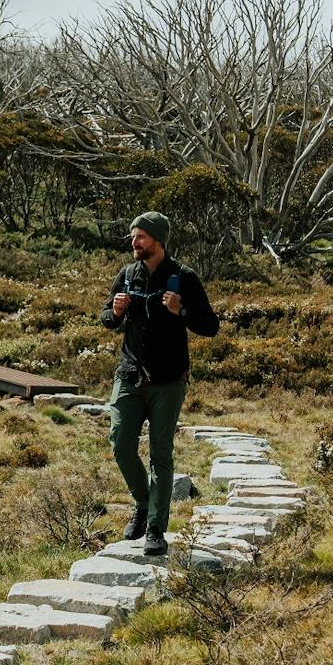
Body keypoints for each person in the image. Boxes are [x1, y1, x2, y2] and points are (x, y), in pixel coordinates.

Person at [100, 212, 220, 555]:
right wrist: (116, 311)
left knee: (161, 456)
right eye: (133, 237)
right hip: (129, 375)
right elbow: (106, 317)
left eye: (140, 237)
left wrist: (180, 311)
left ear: (158, 240)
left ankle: (155, 528)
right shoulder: (127, 274)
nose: (134, 243)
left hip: (168, 380)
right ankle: (143, 502)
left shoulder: (184, 277)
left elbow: (210, 326)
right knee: (120, 443)